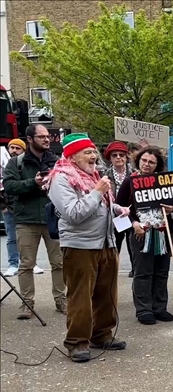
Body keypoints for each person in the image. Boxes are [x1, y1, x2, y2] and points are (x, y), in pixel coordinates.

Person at [46, 133, 130, 363]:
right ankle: (77, 342)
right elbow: (73, 213)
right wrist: (98, 191)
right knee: (80, 297)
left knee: (106, 293)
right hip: (80, 246)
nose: (94, 156)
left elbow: (102, 206)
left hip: (106, 242)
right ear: (73, 156)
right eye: (87, 152)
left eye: (94, 151)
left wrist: (118, 209)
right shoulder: (60, 179)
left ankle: (101, 335)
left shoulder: (93, 175)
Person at [1, 124, 64, 319]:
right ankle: (27, 304)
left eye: (47, 136)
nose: (47, 139)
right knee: (26, 264)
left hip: (52, 219)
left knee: (59, 263)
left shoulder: (56, 161)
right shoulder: (17, 162)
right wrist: (33, 183)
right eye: (41, 137)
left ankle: (61, 301)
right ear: (29, 139)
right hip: (26, 220)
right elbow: (9, 186)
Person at [116, 147, 173, 325]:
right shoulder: (130, 182)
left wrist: (172, 208)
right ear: (138, 161)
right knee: (143, 272)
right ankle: (144, 310)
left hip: (162, 232)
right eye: (144, 160)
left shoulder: (164, 182)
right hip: (141, 234)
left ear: (158, 165)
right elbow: (118, 210)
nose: (147, 164)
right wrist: (133, 224)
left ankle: (160, 308)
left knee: (161, 272)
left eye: (151, 162)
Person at [104, 141, 135, 277]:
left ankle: (135, 268)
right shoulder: (104, 175)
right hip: (114, 215)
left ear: (126, 157)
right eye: (114, 155)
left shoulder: (134, 174)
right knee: (114, 243)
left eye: (121, 155)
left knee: (132, 243)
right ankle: (112, 269)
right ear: (110, 158)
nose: (118, 158)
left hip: (132, 213)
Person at [2, 138, 27, 277]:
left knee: (28, 237)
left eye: (18, 148)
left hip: (24, 206)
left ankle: (28, 262)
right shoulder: (3, 163)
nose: (14, 150)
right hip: (8, 207)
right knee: (12, 237)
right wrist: (2, 206)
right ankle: (13, 264)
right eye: (12, 147)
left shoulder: (25, 164)